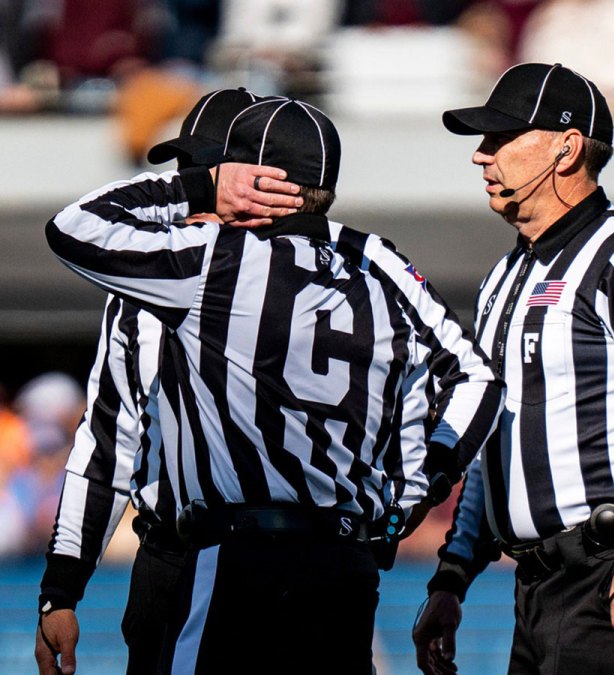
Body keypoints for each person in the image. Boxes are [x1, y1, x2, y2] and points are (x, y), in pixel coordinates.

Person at [42, 96, 503, 674]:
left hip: (229, 554)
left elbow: (72, 228)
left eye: (213, 172)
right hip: (339, 560)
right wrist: (415, 493)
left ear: (252, 182)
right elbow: (460, 384)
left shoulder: (213, 263)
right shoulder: (375, 275)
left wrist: (201, 190)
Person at [411, 62, 614, 674]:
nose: (482, 156)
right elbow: (494, 436)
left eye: (501, 139)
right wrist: (451, 578)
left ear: (566, 148)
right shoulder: (504, 276)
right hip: (540, 583)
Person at [34, 86, 277, 675]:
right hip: (185, 551)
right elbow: (109, 441)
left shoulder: (332, 274)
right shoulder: (148, 291)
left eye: (201, 172)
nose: (187, 188)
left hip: (286, 557)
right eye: (186, 175)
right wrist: (61, 588)